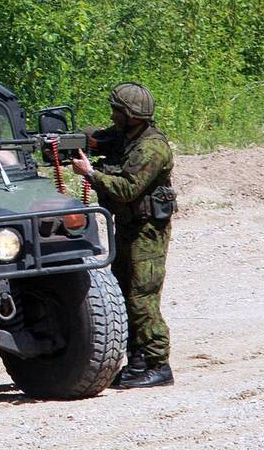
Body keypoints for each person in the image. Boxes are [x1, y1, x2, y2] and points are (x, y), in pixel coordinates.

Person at [71, 82, 177, 389]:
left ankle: (158, 364)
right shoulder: (126, 136)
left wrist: (91, 173)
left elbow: (128, 189)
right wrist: (68, 139)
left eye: (117, 110)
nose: (112, 115)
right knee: (124, 290)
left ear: (131, 115)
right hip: (129, 227)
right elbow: (98, 137)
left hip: (148, 233)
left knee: (141, 297)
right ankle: (138, 359)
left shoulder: (151, 148)